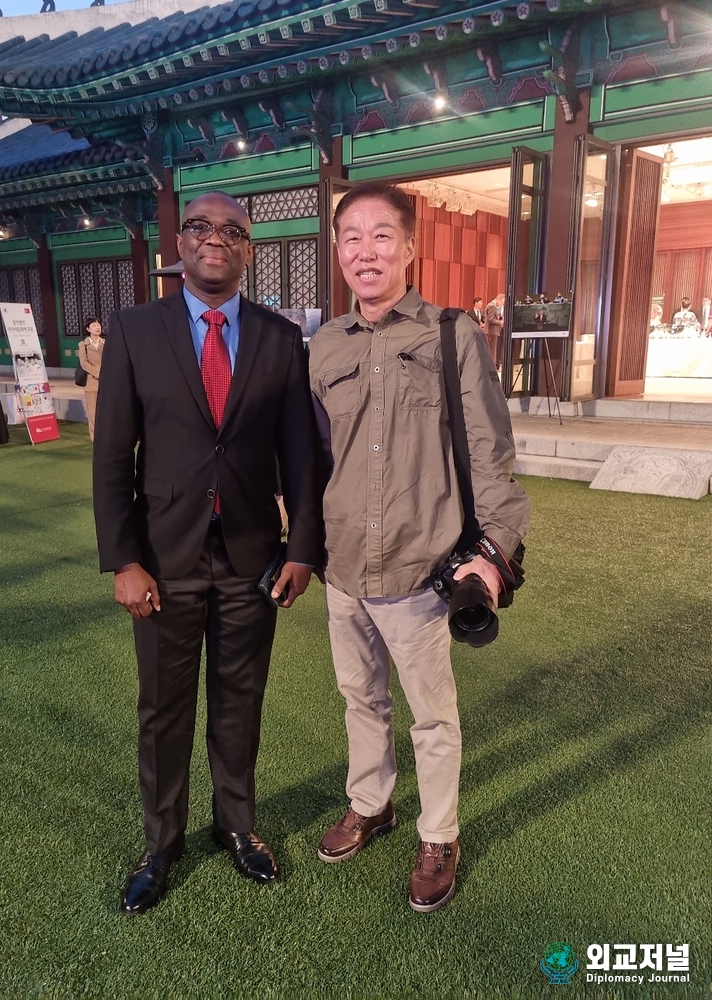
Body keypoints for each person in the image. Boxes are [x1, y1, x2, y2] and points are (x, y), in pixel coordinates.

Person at [92, 191, 320, 916]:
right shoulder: (134, 331)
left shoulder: (282, 338)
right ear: (179, 244)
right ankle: (161, 843)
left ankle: (237, 826)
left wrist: (301, 549)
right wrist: (123, 559)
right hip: (162, 560)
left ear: (248, 249)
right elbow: (110, 457)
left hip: (254, 557)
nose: (215, 239)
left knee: (240, 701)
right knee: (163, 708)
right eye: (200, 227)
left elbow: (301, 458)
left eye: (233, 231)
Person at [309, 181, 529, 913]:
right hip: (344, 567)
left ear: (409, 247)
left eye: (380, 236)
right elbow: (312, 457)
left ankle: (439, 835)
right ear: (338, 251)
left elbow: (490, 453)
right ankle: (371, 805)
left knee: (432, 717)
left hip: (420, 566)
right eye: (351, 237)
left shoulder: (450, 334)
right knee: (358, 699)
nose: (365, 251)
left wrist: (494, 552)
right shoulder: (325, 346)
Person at [77, 316, 103, 441]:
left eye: (98, 324)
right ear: (88, 329)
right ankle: (95, 438)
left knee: (105, 411)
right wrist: (98, 373)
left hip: (106, 382)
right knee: (92, 413)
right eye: (94, 325)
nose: (97, 327)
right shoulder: (83, 345)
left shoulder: (106, 343)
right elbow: (84, 363)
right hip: (91, 382)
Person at [484, 292, 505, 365]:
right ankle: (490, 365)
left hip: (493, 331)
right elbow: (491, 319)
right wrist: (500, 322)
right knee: (491, 350)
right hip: (492, 331)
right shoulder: (492, 306)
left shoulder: (491, 305)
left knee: (492, 349)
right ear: (499, 299)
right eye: (502, 302)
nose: (502, 304)